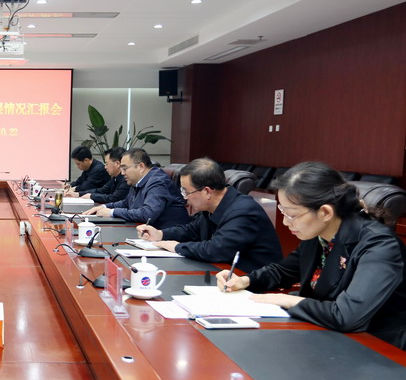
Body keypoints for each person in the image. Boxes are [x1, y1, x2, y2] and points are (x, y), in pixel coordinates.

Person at [218, 162, 406, 349]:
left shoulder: (380, 246)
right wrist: (245, 281)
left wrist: (290, 300)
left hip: (377, 348)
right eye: (283, 211)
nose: (285, 222)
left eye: (291, 214)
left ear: (325, 212)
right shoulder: (320, 234)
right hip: (325, 335)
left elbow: (346, 316)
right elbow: (282, 271)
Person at [136, 158, 282, 272]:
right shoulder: (212, 206)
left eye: (186, 191)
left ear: (207, 191)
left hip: (251, 283)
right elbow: (191, 230)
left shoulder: (243, 211)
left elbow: (216, 250)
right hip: (224, 274)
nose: (185, 197)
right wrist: (160, 234)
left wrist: (177, 247)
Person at [83, 148, 189, 229]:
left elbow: (147, 214)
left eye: (125, 168)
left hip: (168, 237)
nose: (122, 173)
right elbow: (126, 203)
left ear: (140, 166)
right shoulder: (137, 181)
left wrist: (112, 212)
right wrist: (103, 207)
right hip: (147, 233)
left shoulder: (158, 182)